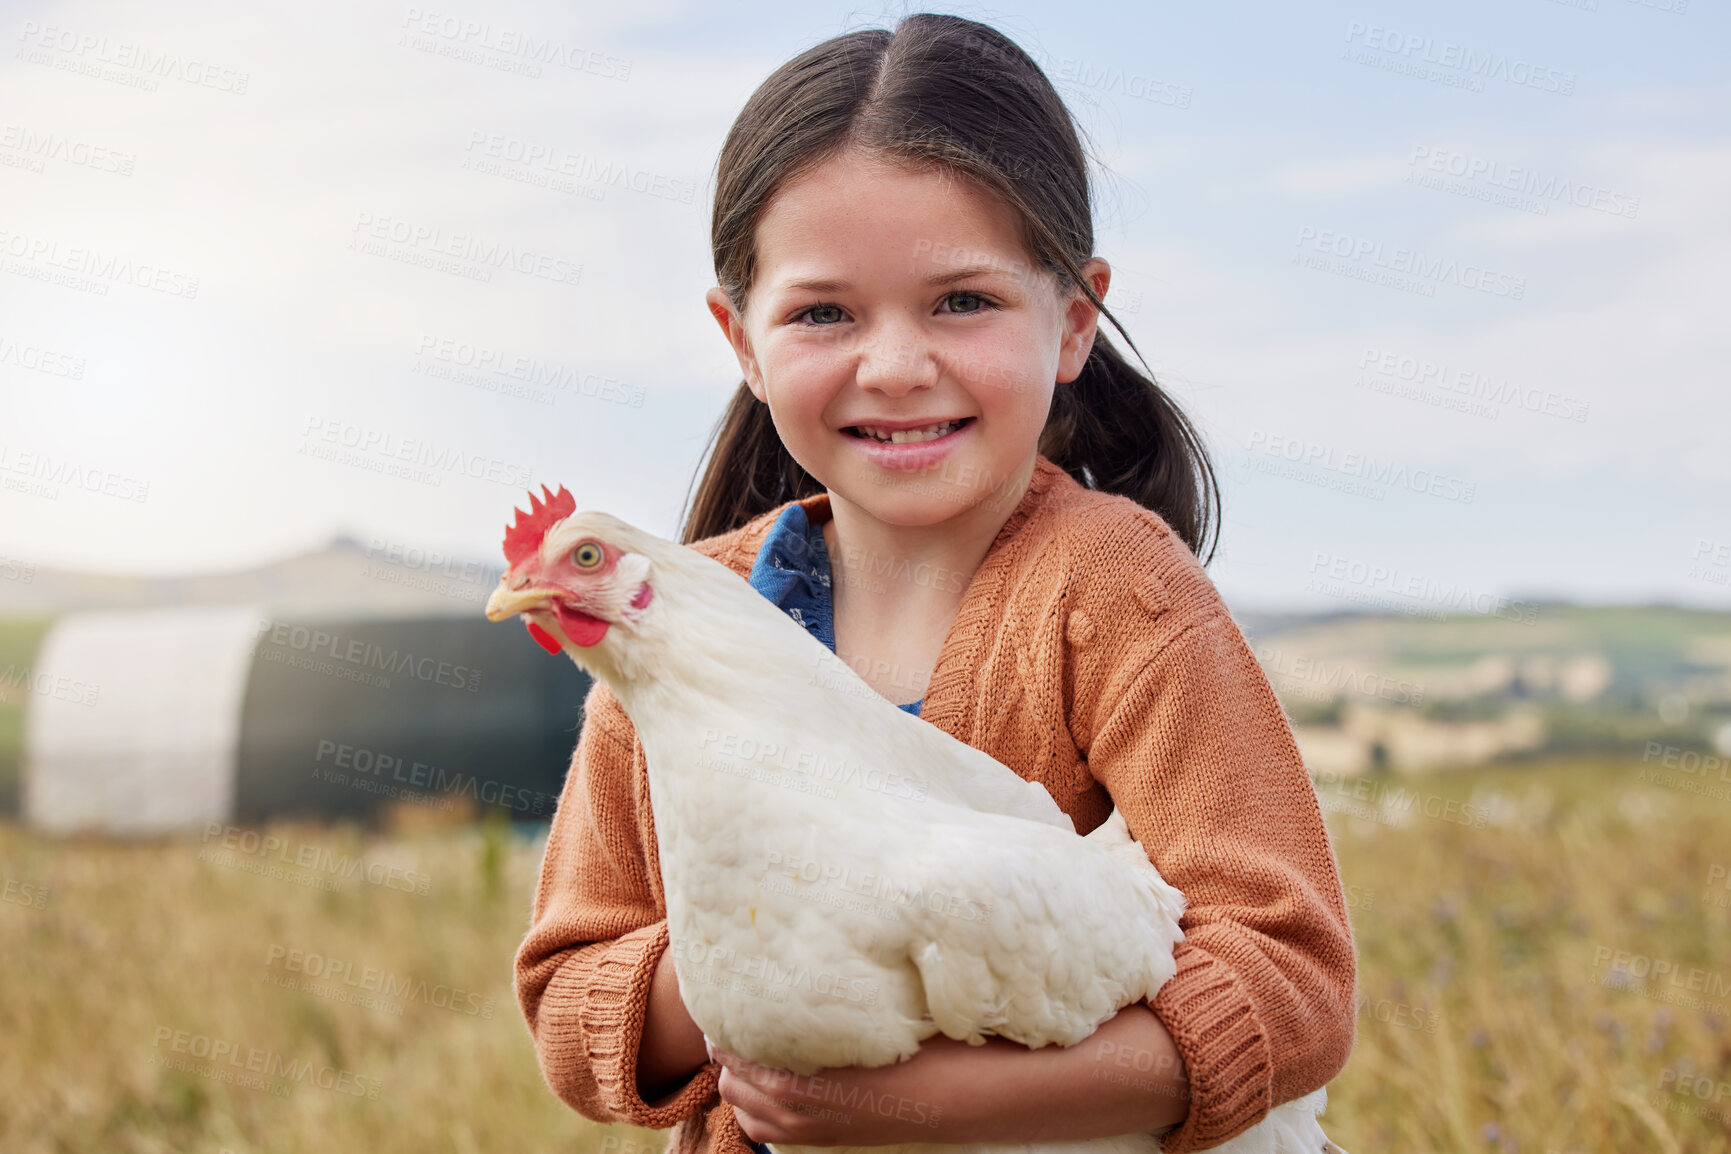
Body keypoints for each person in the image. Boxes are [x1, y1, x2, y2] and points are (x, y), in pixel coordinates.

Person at [514, 12, 1355, 1153]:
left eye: (962, 300)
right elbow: (571, 993)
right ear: (742, 340)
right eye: (823, 312)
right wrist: (759, 959)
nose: (898, 366)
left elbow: (1290, 973)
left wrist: (938, 1099)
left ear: (1073, 318)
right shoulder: (663, 631)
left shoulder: (1115, 596)